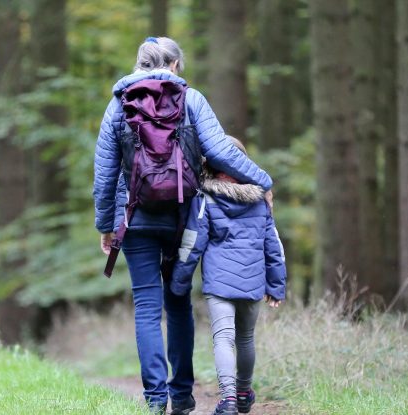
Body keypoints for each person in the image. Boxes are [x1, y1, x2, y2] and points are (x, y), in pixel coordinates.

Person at [93, 37, 273, 414]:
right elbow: (222, 151)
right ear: (174, 65)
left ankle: (155, 401)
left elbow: (105, 173)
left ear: (139, 64)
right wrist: (263, 181)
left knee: (146, 306)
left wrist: (106, 225)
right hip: (183, 217)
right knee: (178, 304)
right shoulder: (192, 99)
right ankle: (182, 397)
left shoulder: (118, 105)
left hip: (136, 217)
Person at [170, 137, 286, 415]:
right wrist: (276, 284)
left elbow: (192, 243)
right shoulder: (260, 200)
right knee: (245, 338)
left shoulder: (205, 199)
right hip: (253, 281)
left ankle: (229, 399)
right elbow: (274, 246)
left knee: (224, 338)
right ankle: (244, 393)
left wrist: (179, 281)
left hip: (220, 284)